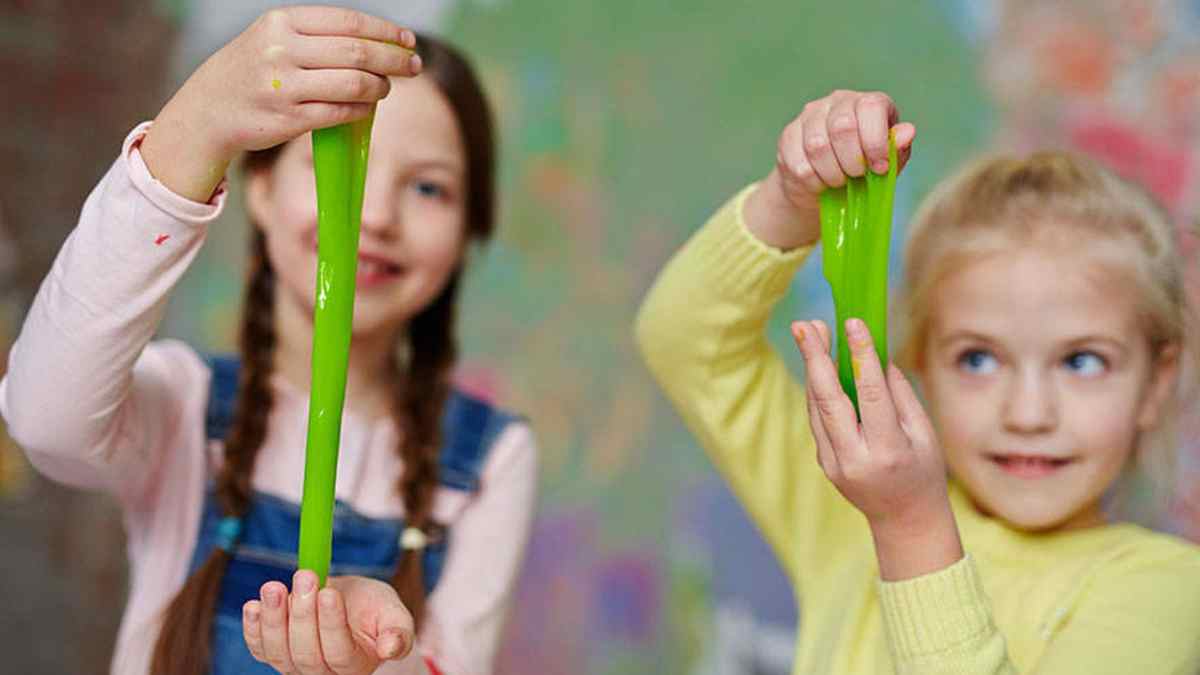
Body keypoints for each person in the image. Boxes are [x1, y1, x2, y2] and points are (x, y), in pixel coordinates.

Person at [0, 7, 537, 675]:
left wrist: (374, 660)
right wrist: (194, 126)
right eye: (325, 164)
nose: (372, 215)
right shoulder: (184, 405)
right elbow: (42, 417)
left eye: (429, 187)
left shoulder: (490, 460)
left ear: (470, 232)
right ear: (259, 187)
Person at [635, 88, 1200, 672]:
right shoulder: (847, 511)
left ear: (1156, 385)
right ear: (921, 364)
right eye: (978, 359)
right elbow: (684, 337)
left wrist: (910, 527)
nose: (1029, 414)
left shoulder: (1169, 589)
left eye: (1082, 362)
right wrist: (790, 203)